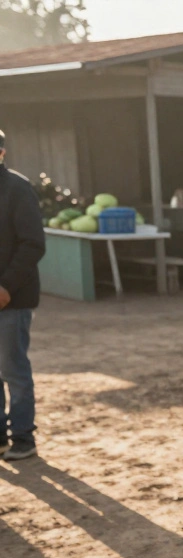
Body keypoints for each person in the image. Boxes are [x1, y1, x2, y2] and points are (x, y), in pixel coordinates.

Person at [0, 128, 45, 461]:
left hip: (11, 299)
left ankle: (23, 438)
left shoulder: (17, 188)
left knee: (13, 368)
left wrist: (6, 288)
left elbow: (33, 244)